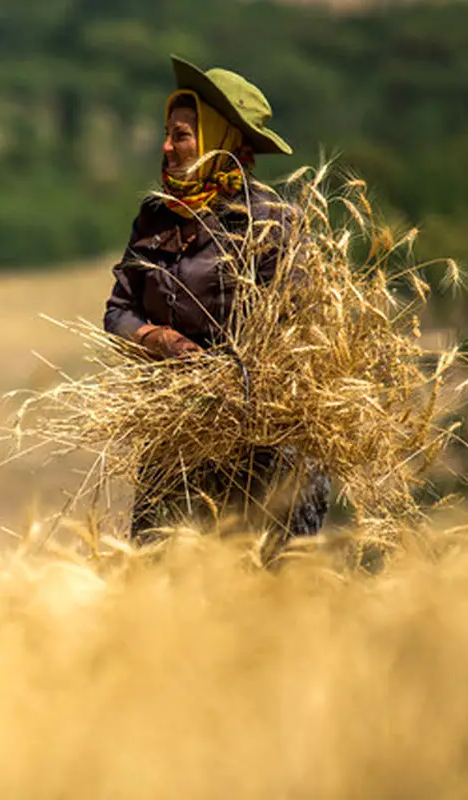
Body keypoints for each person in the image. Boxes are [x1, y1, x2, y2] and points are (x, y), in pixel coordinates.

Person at [103, 55, 331, 546]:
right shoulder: (154, 220)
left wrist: (230, 381)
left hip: (264, 443)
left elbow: (298, 329)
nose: (166, 147)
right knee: (158, 587)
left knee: (276, 595)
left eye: (182, 135)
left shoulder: (271, 222)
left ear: (220, 140)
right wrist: (159, 339)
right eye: (167, 133)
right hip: (179, 441)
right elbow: (117, 312)